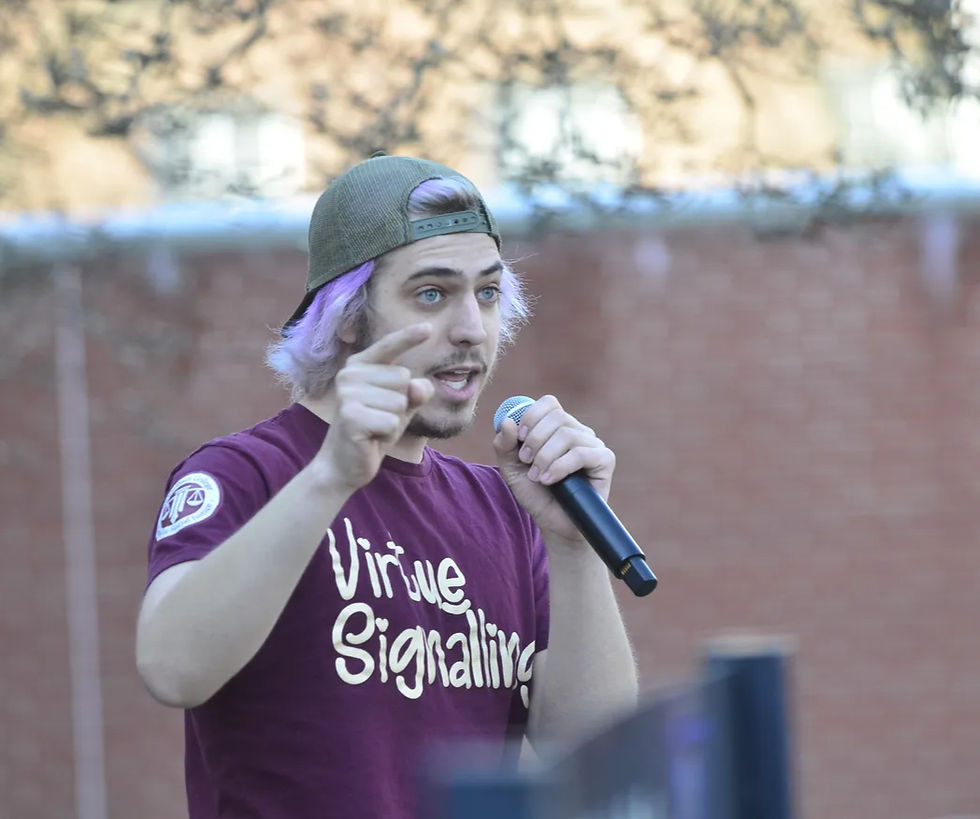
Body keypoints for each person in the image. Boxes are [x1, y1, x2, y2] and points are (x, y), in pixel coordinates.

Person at [136, 154, 638, 818]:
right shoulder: (246, 474)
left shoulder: (507, 508)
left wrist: (573, 549)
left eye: (486, 293)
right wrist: (330, 477)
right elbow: (172, 668)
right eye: (432, 293)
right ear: (347, 315)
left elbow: (597, 757)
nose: (470, 327)